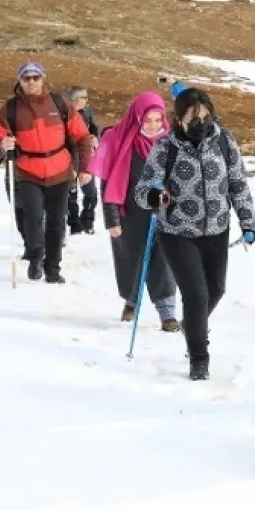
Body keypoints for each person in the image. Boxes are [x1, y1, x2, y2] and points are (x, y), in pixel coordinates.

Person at [133, 87, 255, 381]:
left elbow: (238, 183)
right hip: (177, 231)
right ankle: (199, 358)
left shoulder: (224, 141)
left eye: (205, 117)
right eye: (193, 118)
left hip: (216, 228)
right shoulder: (166, 147)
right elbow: (143, 190)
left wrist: (248, 222)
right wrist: (156, 196)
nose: (201, 123)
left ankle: (193, 326)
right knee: (196, 293)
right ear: (178, 119)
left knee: (216, 290)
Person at [0, 61, 95, 283]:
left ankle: (53, 268)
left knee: (57, 221)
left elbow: (82, 136)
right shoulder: (10, 109)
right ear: (20, 81)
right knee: (33, 218)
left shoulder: (60, 103)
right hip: (28, 171)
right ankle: (36, 255)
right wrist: (2, 144)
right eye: (26, 78)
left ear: (42, 78)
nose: (31, 82)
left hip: (59, 170)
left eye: (35, 78)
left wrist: (85, 167)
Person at [86, 91, 180, 332]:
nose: (153, 126)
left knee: (165, 262)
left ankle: (167, 313)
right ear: (137, 118)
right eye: (147, 120)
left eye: (158, 120)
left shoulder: (173, 143)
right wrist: (111, 219)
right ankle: (131, 300)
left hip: (165, 213)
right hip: (129, 215)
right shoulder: (117, 140)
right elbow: (108, 182)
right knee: (133, 262)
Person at [66, 86, 101, 235]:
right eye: (84, 98)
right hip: (69, 157)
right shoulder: (63, 114)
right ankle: (74, 223)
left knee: (91, 193)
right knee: (71, 193)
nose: (87, 101)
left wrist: (94, 137)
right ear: (75, 99)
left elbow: (94, 127)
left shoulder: (87, 111)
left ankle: (88, 222)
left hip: (86, 156)